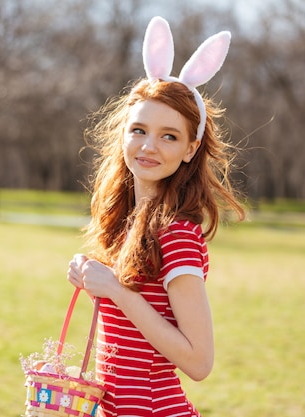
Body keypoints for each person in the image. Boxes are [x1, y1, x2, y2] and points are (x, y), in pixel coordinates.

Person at [67, 16, 245, 417]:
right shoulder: (130, 221)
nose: (149, 146)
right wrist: (93, 274)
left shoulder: (178, 234)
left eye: (169, 135)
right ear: (124, 134)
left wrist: (115, 289)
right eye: (139, 130)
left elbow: (199, 362)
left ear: (189, 148)